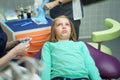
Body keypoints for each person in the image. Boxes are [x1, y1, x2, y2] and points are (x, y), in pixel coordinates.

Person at [40, 15, 102, 80]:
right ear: (54, 30)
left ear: (71, 29)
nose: (64, 27)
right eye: (59, 25)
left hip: (81, 77)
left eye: (67, 24)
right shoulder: (48, 45)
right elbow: (45, 67)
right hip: (60, 78)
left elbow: (90, 65)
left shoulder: (80, 45)